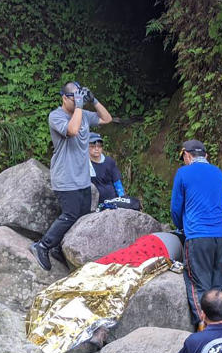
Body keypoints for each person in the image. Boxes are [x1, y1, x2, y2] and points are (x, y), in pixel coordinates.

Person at [31, 82, 112, 270]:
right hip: (65, 177)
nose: (77, 101)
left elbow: (107, 119)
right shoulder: (56, 116)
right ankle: (42, 245)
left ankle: (59, 248)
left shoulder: (82, 113)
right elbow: (72, 130)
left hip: (82, 177)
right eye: (73, 97)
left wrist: (94, 100)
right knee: (69, 215)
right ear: (64, 98)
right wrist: (80, 107)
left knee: (81, 218)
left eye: (79, 97)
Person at [170, 140, 222, 330]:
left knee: (197, 282)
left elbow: (176, 207)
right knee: (217, 283)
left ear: (187, 155)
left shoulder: (183, 173)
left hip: (198, 235)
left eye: (184, 158)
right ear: (206, 156)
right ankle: (220, 324)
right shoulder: (218, 172)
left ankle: (203, 326)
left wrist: (182, 228)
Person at [88, 133, 141, 211]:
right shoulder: (84, 164)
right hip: (94, 203)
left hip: (113, 201)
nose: (96, 149)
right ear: (87, 147)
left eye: (99, 146)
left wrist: (122, 198)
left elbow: (117, 181)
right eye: (93, 146)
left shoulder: (109, 161)